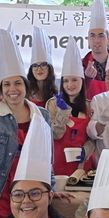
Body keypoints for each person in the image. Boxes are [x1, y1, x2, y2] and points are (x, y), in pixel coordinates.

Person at [0, 29, 51, 218]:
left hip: (28, 190)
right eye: (7, 84)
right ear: (0, 89)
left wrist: (51, 187)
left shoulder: (42, 115)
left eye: (17, 83)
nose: (12, 89)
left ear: (26, 86)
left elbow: (48, 158)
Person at [45, 37, 95, 175]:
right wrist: (62, 112)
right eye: (66, 81)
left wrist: (86, 150)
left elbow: (93, 137)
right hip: (57, 162)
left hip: (82, 165)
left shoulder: (90, 105)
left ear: (82, 81)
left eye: (74, 80)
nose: (70, 85)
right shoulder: (52, 104)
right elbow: (55, 134)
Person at [26, 27, 58, 107]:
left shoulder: (56, 94)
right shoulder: (24, 92)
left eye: (43, 64)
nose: (39, 69)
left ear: (49, 68)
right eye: (35, 66)